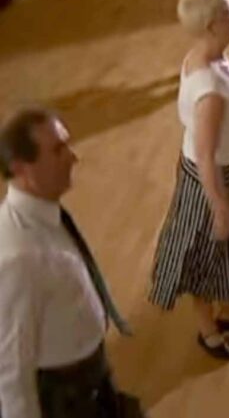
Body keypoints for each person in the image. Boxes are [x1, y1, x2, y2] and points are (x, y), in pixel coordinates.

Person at [149, 0, 229, 361]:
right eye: (227, 17)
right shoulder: (210, 90)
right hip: (213, 181)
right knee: (202, 255)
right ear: (209, 26)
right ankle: (208, 330)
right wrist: (218, 204)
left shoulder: (208, 57)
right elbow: (205, 153)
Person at [0, 107, 144, 418]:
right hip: (69, 399)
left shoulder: (46, 214)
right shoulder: (17, 258)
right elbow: (12, 373)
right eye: (57, 150)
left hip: (93, 378)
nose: (73, 157)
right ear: (21, 169)